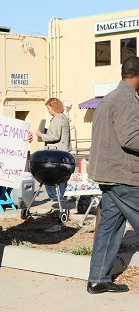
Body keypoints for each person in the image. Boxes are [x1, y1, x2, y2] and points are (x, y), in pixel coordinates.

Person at [86, 56, 139, 294]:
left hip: (108, 176)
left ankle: (98, 279)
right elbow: (130, 137)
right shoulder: (127, 99)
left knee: (109, 226)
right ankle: (99, 278)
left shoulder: (108, 99)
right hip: (125, 176)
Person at [36, 98, 71, 201]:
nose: (48, 110)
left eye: (48, 108)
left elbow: (55, 136)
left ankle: (54, 196)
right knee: (62, 176)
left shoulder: (56, 119)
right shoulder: (63, 117)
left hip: (56, 152)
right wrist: (47, 131)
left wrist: (41, 135)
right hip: (64, 151)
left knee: (48, 175)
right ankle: (61, 196)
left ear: (53, 107)